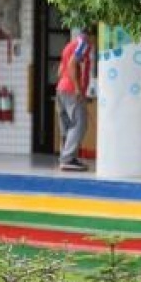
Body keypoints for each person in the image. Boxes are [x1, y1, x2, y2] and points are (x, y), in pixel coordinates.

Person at [56, 26, 93, 172]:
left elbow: (60, 70)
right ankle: (68, 158)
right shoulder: (84, 44)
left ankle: (65, 158)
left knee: (67, 126)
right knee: (80, 124)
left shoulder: (70, 45)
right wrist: (78, 88)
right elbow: (72, 64)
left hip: (61, 89)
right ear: (91, 35)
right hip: (72, 90)